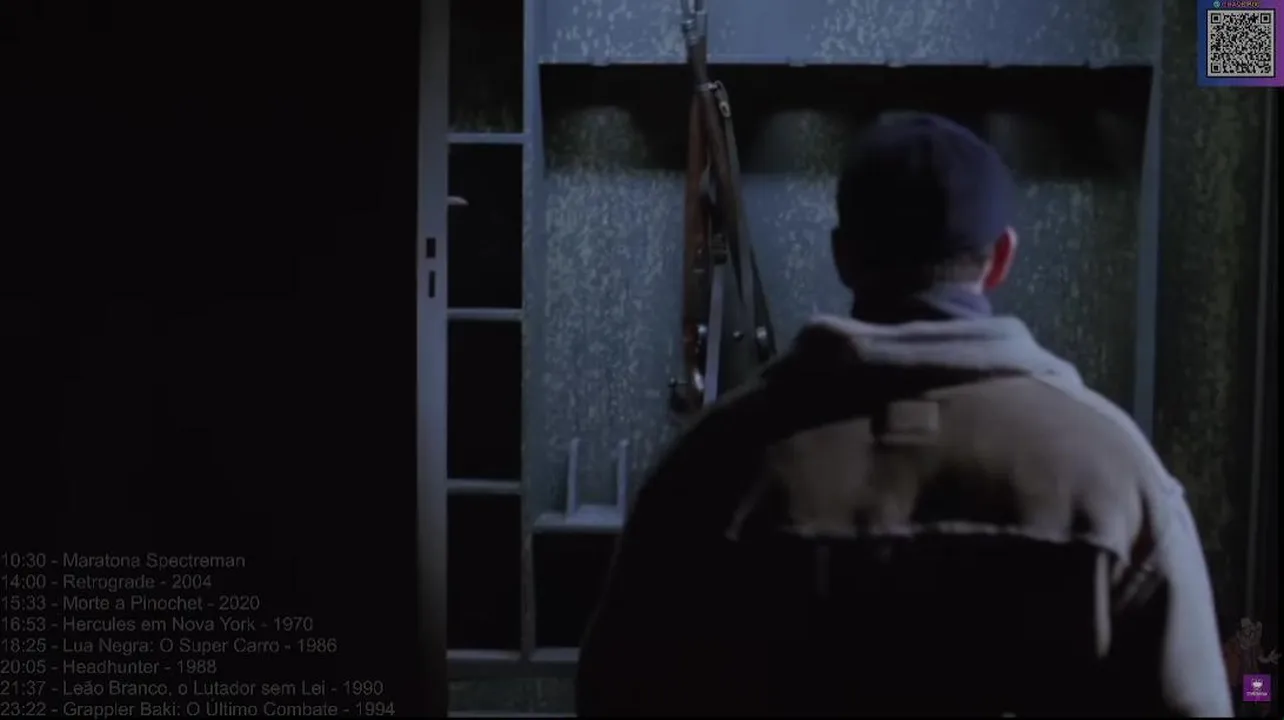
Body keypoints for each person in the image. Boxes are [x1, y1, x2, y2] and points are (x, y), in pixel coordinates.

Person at [575, 113, 1233, 717]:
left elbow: (615, 694)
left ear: (843, 254)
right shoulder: (1116, 471)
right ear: (1002, 258)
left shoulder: (712, 465)